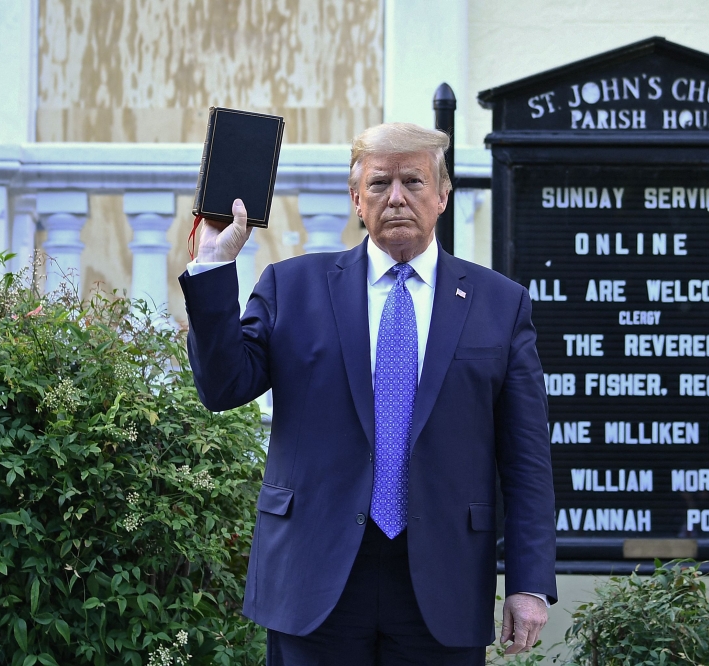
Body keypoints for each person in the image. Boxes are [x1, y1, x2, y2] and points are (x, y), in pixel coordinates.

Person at [179, 122, 557, 665]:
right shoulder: (293, 288)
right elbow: (222, 386)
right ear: (357, 199)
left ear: (443, 195)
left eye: (414, 182)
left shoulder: (500, 304)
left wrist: (529, 582)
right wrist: (216, 265)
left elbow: (526, 460)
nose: (397, 197)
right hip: (314, 575)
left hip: (443, 580)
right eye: (379, 184)